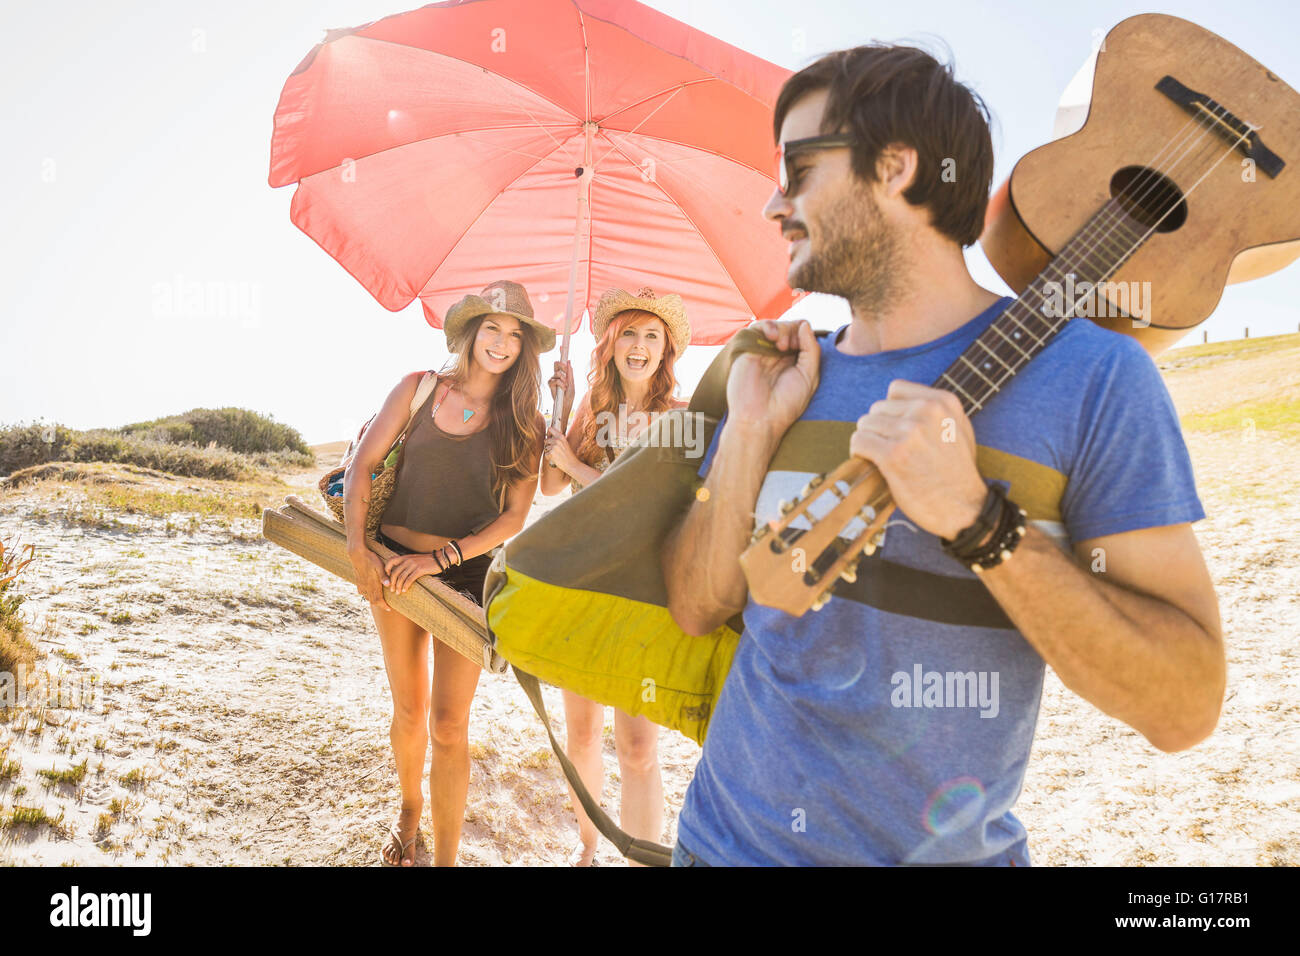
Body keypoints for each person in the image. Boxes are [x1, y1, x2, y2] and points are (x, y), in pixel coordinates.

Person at [661, 45, 1224, 866]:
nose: (773, 206)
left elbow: (1186, 705)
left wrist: (979, 521)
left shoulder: (1097, 380)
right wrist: (748, 433)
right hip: (716, 846)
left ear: (894, 168)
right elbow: (698, 607)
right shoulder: (784, 373)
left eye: (798, 171)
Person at [344, 279, 551, 867]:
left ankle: (446, 862)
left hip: (464, 579)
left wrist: (441, 560)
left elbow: (513, 516)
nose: (502, 342)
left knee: (448, 725)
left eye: (516, 334)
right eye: (493, 327)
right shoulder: (419, 389)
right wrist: (361, 550)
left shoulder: (525, 421)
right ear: (470, 331)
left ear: (526, 347)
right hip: (389, 567)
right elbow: (361, 469)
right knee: (408, 711)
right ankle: (408, 816)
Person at [539, 286, 690, 865]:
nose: (640, 345)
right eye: (630, 332)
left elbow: (649, 501)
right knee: (581, 735)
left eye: (653, 336)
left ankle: (642, 858)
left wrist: (575, 464)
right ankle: (587, 845)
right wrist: (558, 413)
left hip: (644, 595)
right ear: (611, 343)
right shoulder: (592, 414)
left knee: (638, 745)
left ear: (665, 351)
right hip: (583, 583)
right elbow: (552, 489)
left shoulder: (681, 418)